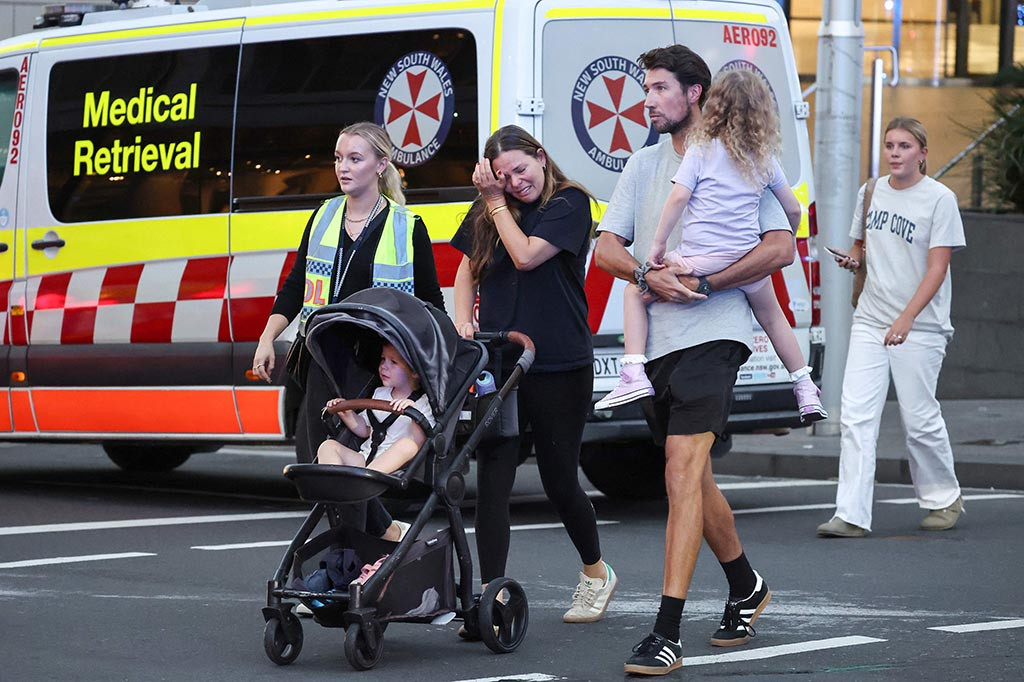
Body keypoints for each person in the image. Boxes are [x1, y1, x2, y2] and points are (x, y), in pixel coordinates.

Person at [593, 45, 794, 675]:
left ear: (695, 93)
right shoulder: (644, 163)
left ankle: (666, 630)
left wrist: (708, 283)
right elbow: (605, 248)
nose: (646, 99)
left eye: (657, 88)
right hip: (656, 342)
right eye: (644, 88)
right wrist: (649, 274)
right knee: (693, 477)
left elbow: (782, 245)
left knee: (682, 468)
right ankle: (746, 584)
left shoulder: (738, 157)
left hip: (717, 332)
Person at [451, 125, 617, 626]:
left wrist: (494, 200)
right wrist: (464, 324)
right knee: (494, 481)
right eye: (502, 175)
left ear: (541, 158)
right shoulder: (491, 205)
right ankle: (491, 596)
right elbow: (466, 269)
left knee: (559, 477)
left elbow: (524, 256)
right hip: (500, 361)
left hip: (559, 361)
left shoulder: (569, 203)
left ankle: (595, 573)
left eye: (520, 169)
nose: (513, 181)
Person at [595, 70, 827, 426]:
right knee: (772, 316)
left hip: (700, 258)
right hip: (744, 254)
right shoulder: (763, 157)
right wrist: (788, 231)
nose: (650, 98)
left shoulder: (701, 151)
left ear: (711, 106)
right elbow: (792, 209)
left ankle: (632, 372)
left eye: (659, 88)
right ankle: (804, 384)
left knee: (634, 291)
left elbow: (677, 199)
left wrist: (657, 249)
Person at [252, 121, 445, 544]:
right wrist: (268, 338)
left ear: (381, 164)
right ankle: (382, 537)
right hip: (321, 357)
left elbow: (430, 301)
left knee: (353, 469)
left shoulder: (407, 226)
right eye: (339, 158)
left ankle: (357, 555)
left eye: (355, 158)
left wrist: (431, 369)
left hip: (374, 364)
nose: (344, 167)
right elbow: (295, 286)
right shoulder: (323, 216)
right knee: (318, 465)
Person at [817, 117, 966, 538]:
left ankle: (943, 497)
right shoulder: (871, 192)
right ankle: (850, 514)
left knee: (918, 417)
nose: (895, 153)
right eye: (889, 145)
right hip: (870, 318)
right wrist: (853, 258)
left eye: (904, 146)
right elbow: (862, 244)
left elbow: (938, 268)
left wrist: (908, 317)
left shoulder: (940, 199)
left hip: (922, 325)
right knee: (857, 417)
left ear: (922, 152)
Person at [317, 342, 434, 474]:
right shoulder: (379, 393)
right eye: (383, 359)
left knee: (409, 445)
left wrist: (414, 413)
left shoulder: (423, 403)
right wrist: (347, 413)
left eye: (394, 362)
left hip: (395, 469)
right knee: (328, 446)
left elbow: (420, 442)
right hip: (366, 459)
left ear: (415, 371)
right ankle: (333, 485)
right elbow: (366, 430)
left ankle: (361, 482)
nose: (384, 366)